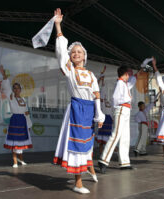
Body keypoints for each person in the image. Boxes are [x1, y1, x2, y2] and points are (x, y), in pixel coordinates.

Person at [52, 8, 105, 194]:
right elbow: (60, 53)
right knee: (77, 144)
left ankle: (88, 166)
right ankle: (78, 182)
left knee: (87, 143)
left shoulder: (90, 74)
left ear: (84, 56)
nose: (75, 54)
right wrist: (58, 25)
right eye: (73, 52)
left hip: (89, 110)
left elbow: (96, 94)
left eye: (79, 52)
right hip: (76, 110)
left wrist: (98, 113)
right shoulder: (70, 71)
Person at [98, 66, 140, 173]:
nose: (129, 76)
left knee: (125, 136)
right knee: (116, 134)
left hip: (126, 109)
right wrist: (116, 110)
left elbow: (132, 82)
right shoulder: (120, 83)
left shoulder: (125, 84)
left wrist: (140, 70)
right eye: (129, 74)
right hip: (121, 109)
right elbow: (115, 99)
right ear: (125, 74)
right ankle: (103, 160)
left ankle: (124, 162)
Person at [0, 65, 33, 168]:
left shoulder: (23, 100)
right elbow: (6, 86)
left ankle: (21, 160)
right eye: (15, 88)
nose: (16, 89)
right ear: (13, 89)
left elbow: (26, 113)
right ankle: (15, 161)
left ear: (20, 90)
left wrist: (29, 124)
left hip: (22, 121)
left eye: (18, 88)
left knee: (21, 141)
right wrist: (4, 75)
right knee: (14, 141)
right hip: (15, 120)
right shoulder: (11, 96)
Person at [96, 66, 113, 154]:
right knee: (102, 141)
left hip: (108, 120)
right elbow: (102, 88)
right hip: (104, 119)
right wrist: (102, 78)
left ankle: (106, 154)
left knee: (108, 140)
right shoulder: (101, 102)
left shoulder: (109, 102)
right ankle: (102, 154)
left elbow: (103, 88)